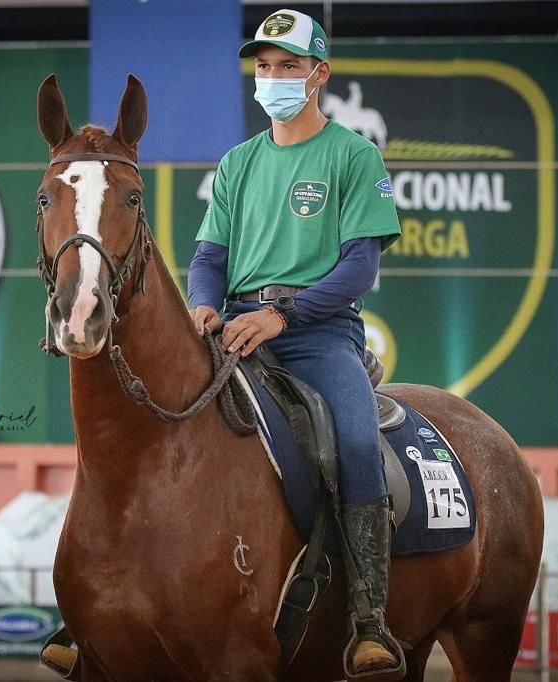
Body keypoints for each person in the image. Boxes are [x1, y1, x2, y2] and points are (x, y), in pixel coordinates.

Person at [188, 9, 405, 680]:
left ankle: (370, 620)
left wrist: (286, 314)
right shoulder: (237, 162)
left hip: (318, 331)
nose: (274, 78)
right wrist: (201, 303)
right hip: (232, 330)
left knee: (360, 439)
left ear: (319, 74)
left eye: (288, 66)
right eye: (264, 67)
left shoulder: (352, 154)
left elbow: (360, 267)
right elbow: (208, 258)